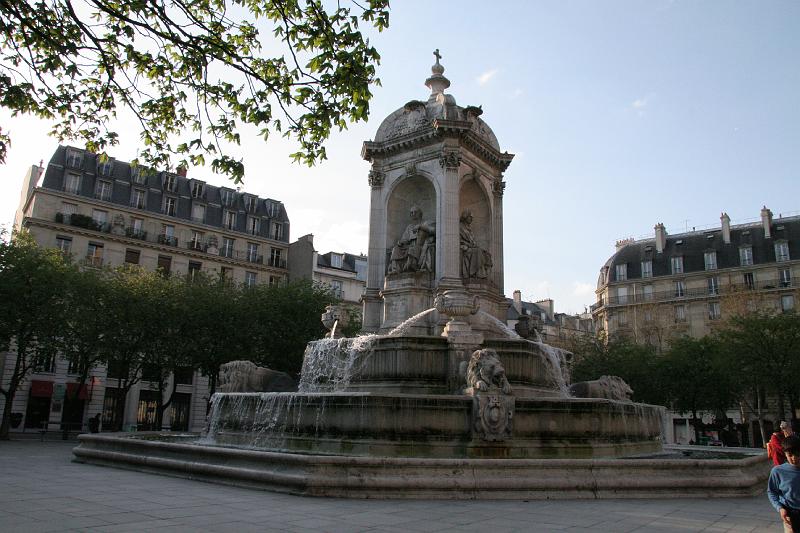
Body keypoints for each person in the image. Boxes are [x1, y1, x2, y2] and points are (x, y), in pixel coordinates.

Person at [388, 206, 435, 274]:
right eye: (411, 213)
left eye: (415, 212)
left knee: (412, 249)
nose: (413, 214)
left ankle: (410, 267)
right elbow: (405, 239)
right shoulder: (409, 227)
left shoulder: (426, 223)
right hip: (409, 245)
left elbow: (433, 231)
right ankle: (395, 269)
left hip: (421, 245)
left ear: (420, 213)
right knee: (396, 249)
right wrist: (400, 242)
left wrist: (421, 227)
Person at [768, 435, 800, 532]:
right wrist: (780, 508)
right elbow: (772, 492)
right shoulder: (778, 471)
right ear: (785, 454)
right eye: (790, 455)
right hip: (790, 512)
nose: (794, 458)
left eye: (797, 454)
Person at [459, 210, 492, 279]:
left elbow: (473, 242)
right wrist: (467, 245)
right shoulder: (460, 227)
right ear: (465, 217)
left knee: (486, 254)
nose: (472, 219)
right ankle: (476, 274)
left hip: (471, 247)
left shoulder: (469, 228)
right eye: (470, 217)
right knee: (477, 252)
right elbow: (459, 240)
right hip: (464, 247)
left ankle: (483, 274)